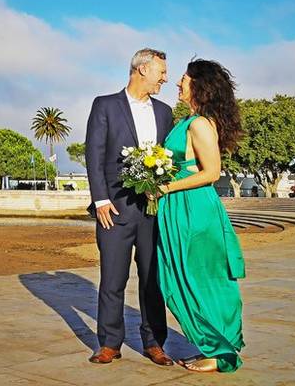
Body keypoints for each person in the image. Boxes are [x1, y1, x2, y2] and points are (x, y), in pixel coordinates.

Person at [85, 48, 175, 366]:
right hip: (115, 210)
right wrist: (101, 200)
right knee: (113, 279)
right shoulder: (105, 105)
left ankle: (154, 343)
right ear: (141, 70)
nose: (165, 77)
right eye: (161, 71)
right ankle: (110, 343)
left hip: (154, 211)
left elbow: (171, 159)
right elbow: (94, 155)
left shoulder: (165, 112)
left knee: (153, 279)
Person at [155, 59, 245, 372]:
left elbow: (212, 172)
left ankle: (220, 352)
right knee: (181, 277)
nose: (177, 83)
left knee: (204, 278)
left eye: (182, 79)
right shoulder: (186, 120)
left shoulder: (200, 124)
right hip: (178, 207)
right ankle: (210, 345)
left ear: (198, 85)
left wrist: (166, 186)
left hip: (195, 208)